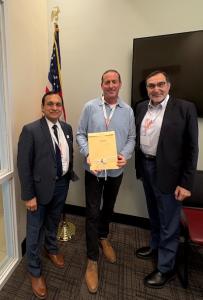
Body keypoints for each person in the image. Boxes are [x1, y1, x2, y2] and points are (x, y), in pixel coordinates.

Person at [134, 70, 199, 288]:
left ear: (168, 86)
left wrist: (186, 183)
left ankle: (166, 268)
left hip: (171, 175)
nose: (156, 89)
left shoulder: (185, 108)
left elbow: (192, 149)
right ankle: (154, 245)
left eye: (160, 84)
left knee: (170, 222)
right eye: (151, 86)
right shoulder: (141, 107)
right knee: (154, 213)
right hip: (146, 166)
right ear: (146, 89)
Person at [76, 69, 135, 293]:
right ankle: (92, 260)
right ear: (101, 85)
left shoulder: (127, 111)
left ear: (120, 85)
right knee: (92, 212)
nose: (111, 85)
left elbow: (131, 138)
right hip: (94, 171)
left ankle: (103, 236)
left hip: (115, 172)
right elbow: (81, 133)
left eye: (114, 82)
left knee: (108, 208)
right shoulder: (90, 107)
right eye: (106, 82)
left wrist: (125, 155)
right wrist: (87, 152)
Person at [17, 91, 77, 299]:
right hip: (39, 191)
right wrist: (28, 195)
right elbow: (24, 166)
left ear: (62, 107)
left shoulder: (67, 128)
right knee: (34, 230)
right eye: (49, 104)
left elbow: (67, 154)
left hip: (61, 184)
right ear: (42, 107)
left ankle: (51, 248)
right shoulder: (31, 130)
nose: (54, 107)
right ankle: (34, 270)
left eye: (58, 104)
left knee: (53, 221)